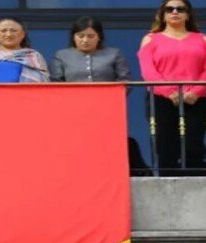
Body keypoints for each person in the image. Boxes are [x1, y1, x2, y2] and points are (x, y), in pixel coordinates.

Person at [50, 16, 151, 176]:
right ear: (73, 37)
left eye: (91, 36)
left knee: (106, 142)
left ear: (99, 37)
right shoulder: (62, 55)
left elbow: (125, 80)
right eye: (81, 36)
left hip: (107, 109)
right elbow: (56, 82)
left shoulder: (113, 53)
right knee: (76, 142)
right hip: (73, 110)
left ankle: (107, 173)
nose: (85, 40)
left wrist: (111, 97)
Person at [138, 0, 206, 174]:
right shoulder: (151, 39)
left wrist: (195, 92)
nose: (175, 12)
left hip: (195, 99)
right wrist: (168, 92)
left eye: (180, 9)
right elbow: (148, 71)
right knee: (165, 143)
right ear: (163, 15)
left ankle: (194, 180)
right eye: (169, 9)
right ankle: (168, 178)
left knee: (193, 143)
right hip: (161, 99)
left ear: (188, 15)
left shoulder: (202, 39)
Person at [0, 17, 49, 83]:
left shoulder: (34, 56)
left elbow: (42, 82)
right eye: (3, 31)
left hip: (24, 98)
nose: (8, 34)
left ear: (22, 34)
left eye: (13, 30)